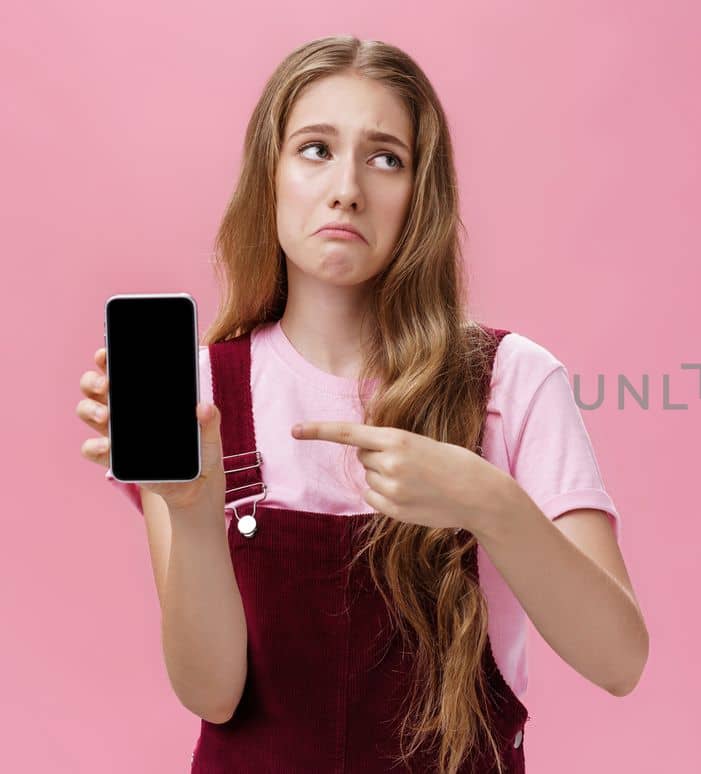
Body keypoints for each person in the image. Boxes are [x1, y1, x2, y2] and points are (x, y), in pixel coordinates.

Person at [72, 34, 647, 773]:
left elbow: (618, 661)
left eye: (386, 158)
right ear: (269, 176)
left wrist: (490, 504)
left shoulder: (511, 381)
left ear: (421, 194)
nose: (347, 186)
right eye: (315, 149)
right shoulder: (200, 399)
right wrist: (190, 509)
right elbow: (213, 694)